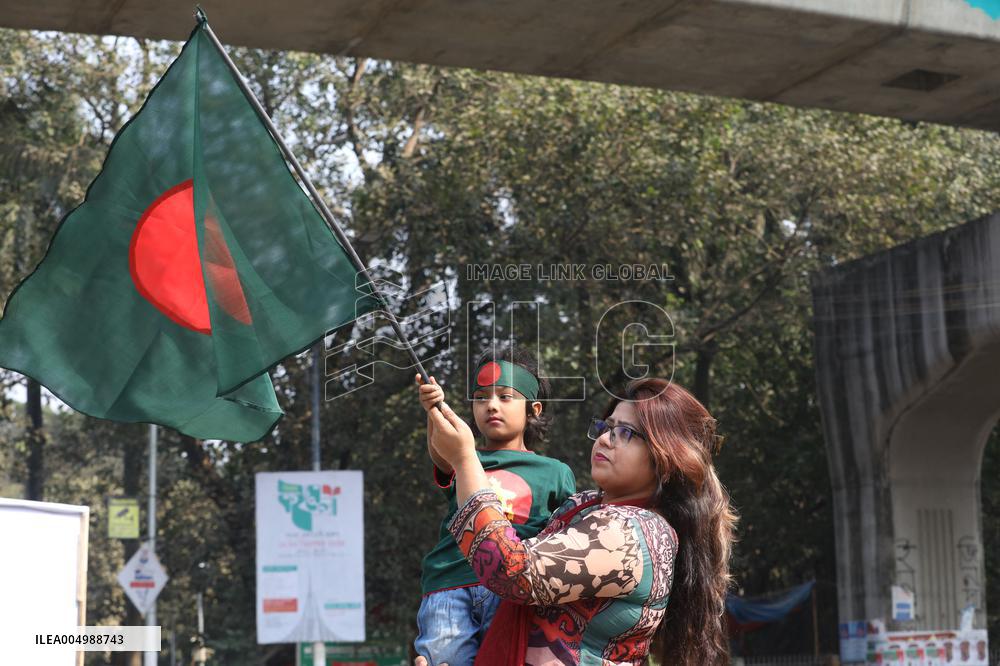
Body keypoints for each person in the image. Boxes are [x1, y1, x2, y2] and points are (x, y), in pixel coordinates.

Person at [415, 376, 736, 666]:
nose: (606, 439)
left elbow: (511, 570)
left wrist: (465, 459)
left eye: (626, 432)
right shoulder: (583, 508)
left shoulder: (632, 533)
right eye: (607, 427)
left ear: (666, 456)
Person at [414, 346, 577, 666]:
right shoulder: (464, 456)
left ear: (534, 409)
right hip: (449, 584)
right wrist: (433, 411)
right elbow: (441, 451)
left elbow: (563, 537)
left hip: (511, 592)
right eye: (480, 397)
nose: (491, 405)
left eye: (505, 396)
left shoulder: (556, 472)